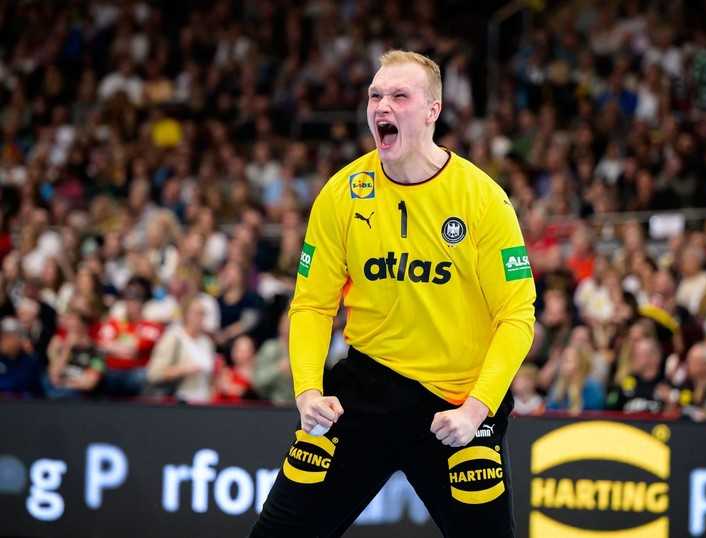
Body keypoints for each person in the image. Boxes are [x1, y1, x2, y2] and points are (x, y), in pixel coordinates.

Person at [250, 50, 535, 538]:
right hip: (367, 390)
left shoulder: (482, 199)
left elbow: (517, 316)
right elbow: (313, 304)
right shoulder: (342, 193)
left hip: (454, 403)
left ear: (433, 111)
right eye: (375, 95)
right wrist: (307, 391)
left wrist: (476, 409)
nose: (382, 105)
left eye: (400, 95)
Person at [145, 297, 216, 403]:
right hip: (180, 402)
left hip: (204, 401)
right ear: (186, 315)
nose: (201, 317)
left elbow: (210, 377)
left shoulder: (207, 342)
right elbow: (154, 373)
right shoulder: (174, 337)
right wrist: (184, 369)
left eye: (203, 313)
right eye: (197, 313)